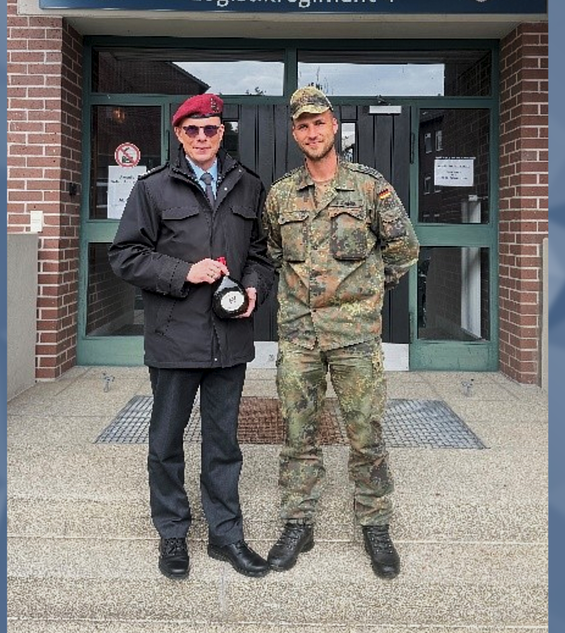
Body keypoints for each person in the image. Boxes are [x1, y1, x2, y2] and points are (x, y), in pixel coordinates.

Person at [109, 93, 274, 580]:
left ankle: (226, 536)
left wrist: (253, 289)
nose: (203, 137)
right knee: (165, 440)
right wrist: (185, 270)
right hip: (173, 338)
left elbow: (262, 256)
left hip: (230, 338)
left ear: (223, 133)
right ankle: (173, 534)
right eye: (193, 130)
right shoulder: (154, 188)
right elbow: (125, 255)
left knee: (223, 442)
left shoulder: (248, 186)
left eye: (212, 129)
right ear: (179, 135)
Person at [262, 86, 419, 579]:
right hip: (299, 337)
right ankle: (298, 521)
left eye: (319, 122)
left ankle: (375, 524)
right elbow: (272, 253)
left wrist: (364, 295)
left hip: (354, 337)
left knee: (365, 434)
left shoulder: (371, 189)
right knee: (297, 434)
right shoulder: (282, 195)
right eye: (302, 125)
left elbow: (403, 250)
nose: (312, 132)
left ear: (335, 127)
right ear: (295, 133)